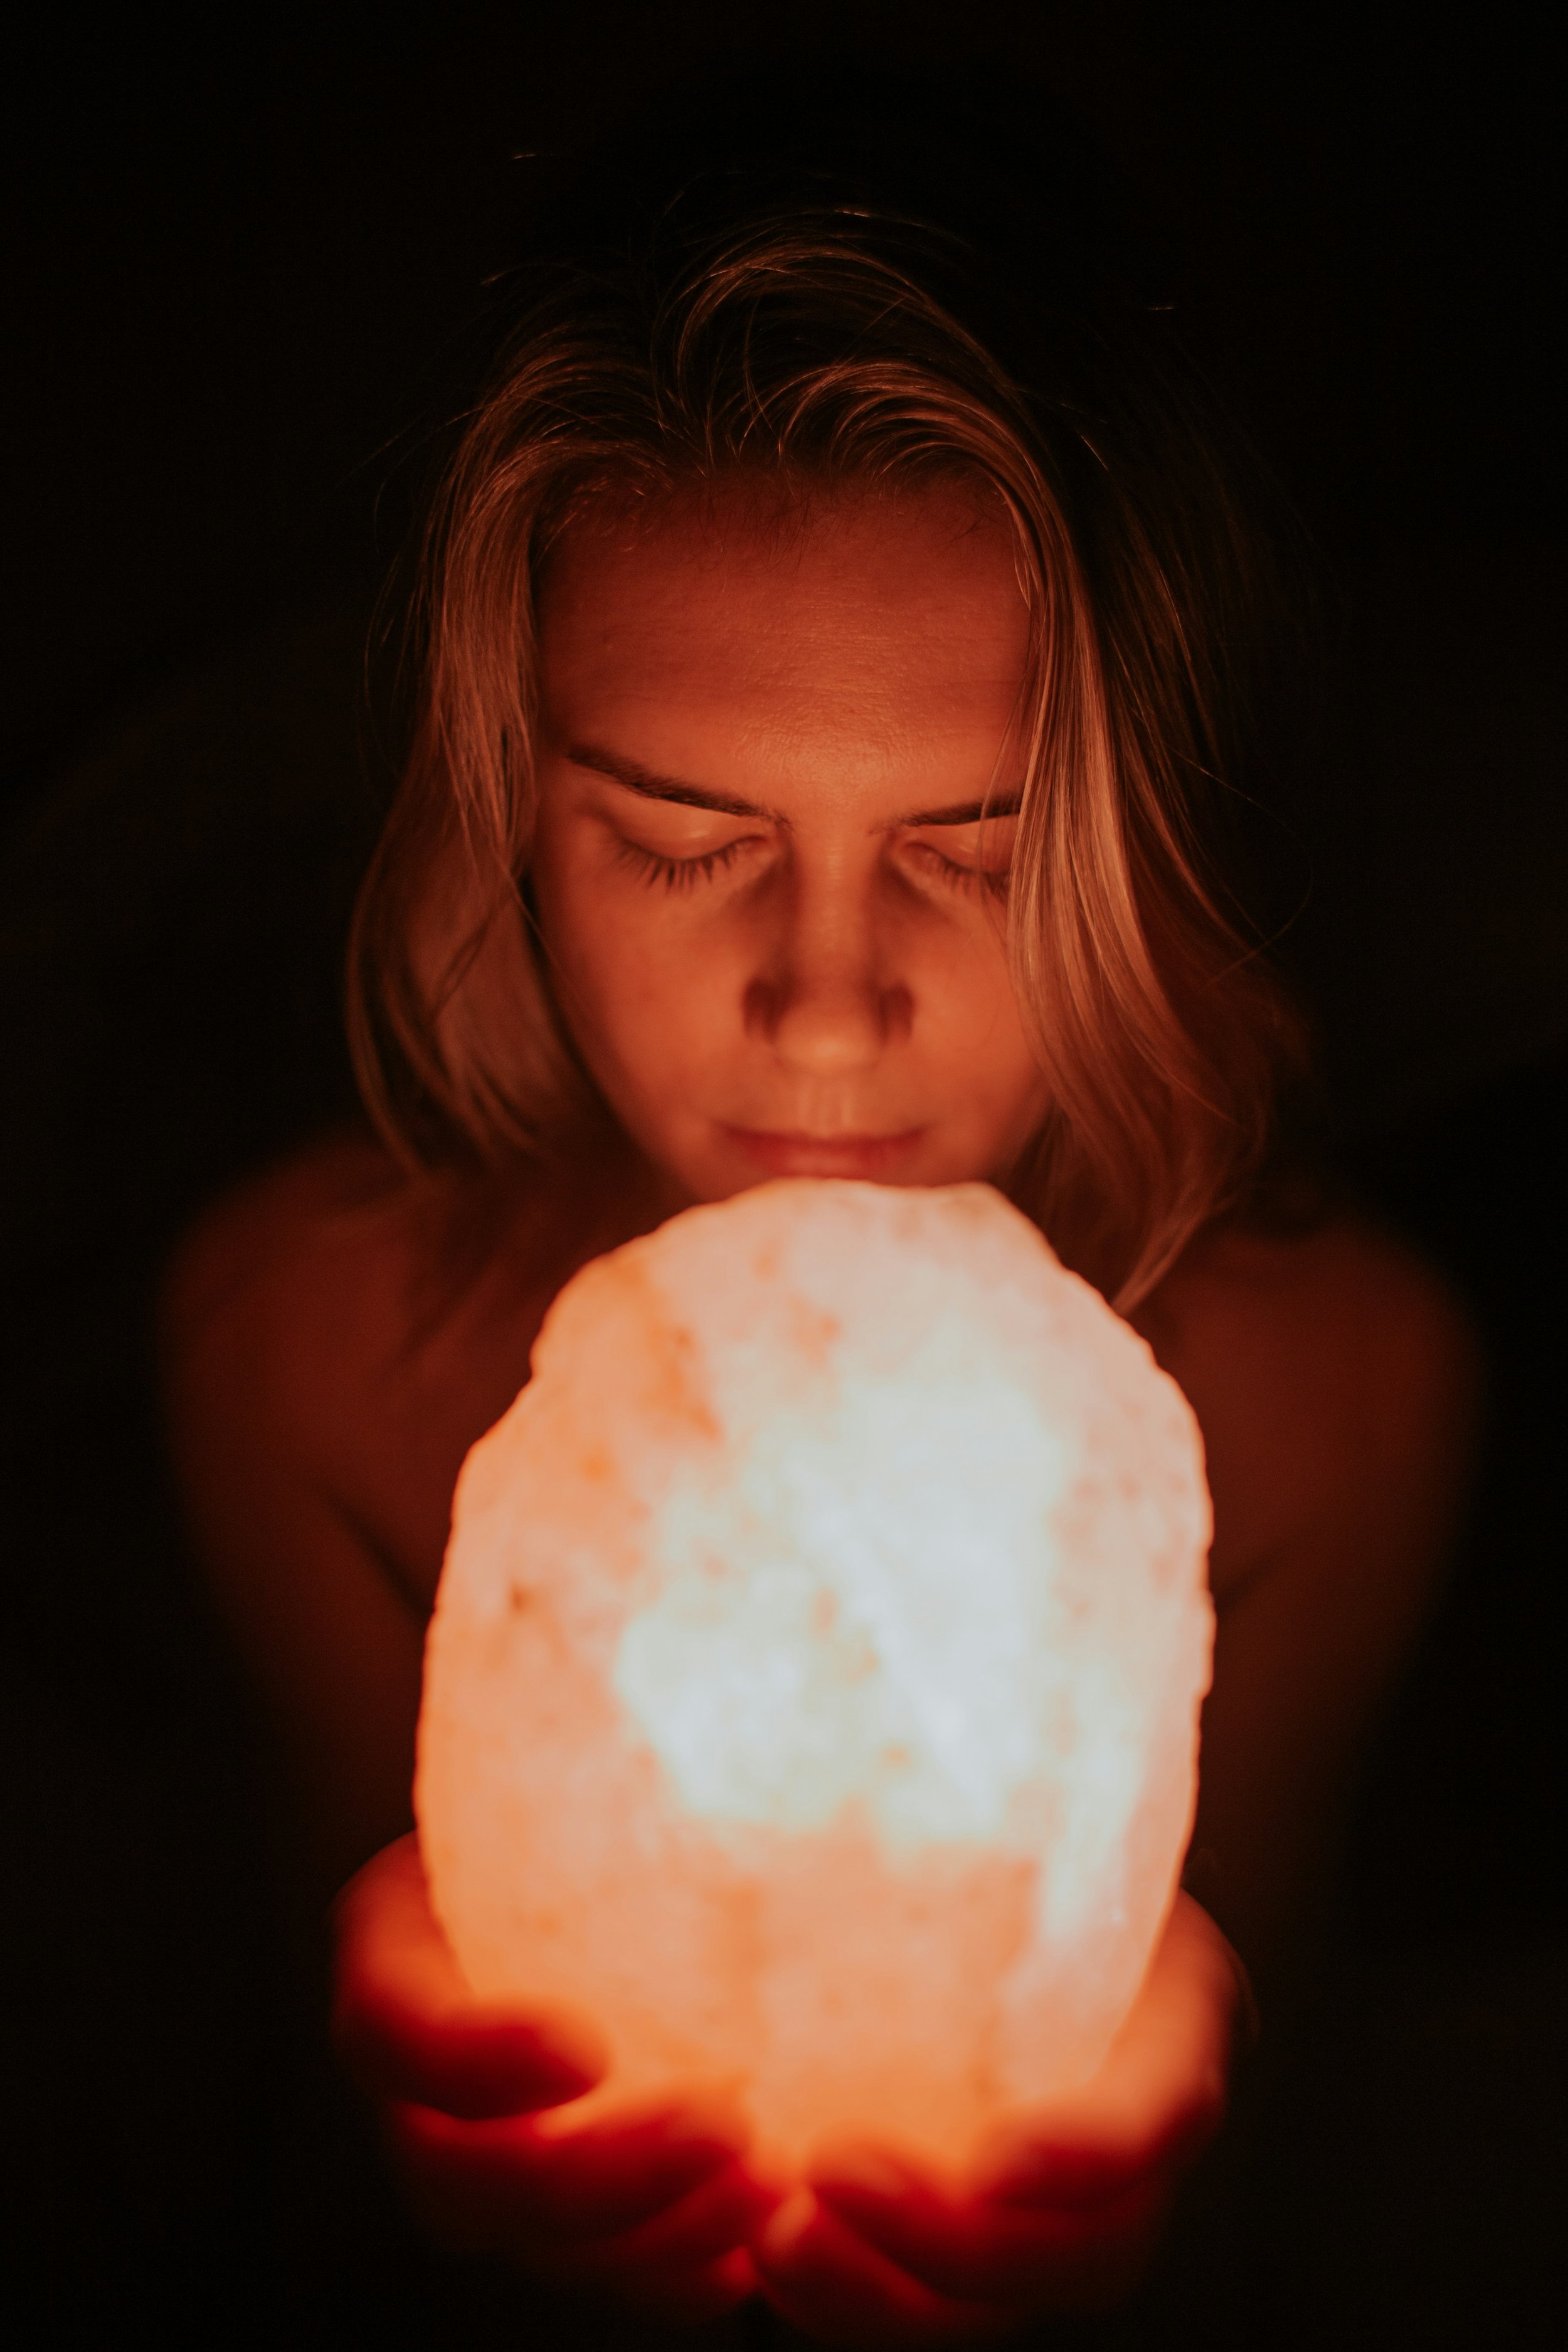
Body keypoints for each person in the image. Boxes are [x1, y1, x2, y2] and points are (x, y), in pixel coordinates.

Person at [159, 79, 1479, 2346]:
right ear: (503, 820)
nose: (830, 1006)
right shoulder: (300, 1344)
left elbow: (1261, 2159)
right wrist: (417, 2093)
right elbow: (324, 2176)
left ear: (1138, 841)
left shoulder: (1340, 1389)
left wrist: (1173, 2112)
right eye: (681, 840)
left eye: (971, 850)